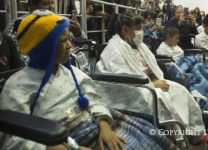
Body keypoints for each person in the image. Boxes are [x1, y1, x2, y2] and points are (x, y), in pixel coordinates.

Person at [0, 10, 181, 150]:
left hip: (92, 125)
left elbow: (94, 100)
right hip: (56, 139)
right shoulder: (17, 87)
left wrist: (104, 127)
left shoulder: (74, 74)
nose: (71, 45)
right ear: (45, 48)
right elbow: (15, 139)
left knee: (144, 137)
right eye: (64, 41)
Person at [96, 12, 208, 150]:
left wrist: (156, 81)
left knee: (179, 90)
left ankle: (196, 136)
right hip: (134, 90)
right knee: (162, 98)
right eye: (138, 28)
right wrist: (152, 85)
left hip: (149, 83)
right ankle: (182, 143)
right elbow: (124, 80)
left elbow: (150, 68)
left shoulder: (138, 45)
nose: (142, 31)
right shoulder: (114, 50)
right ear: (125, 30)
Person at [4, 0, 91, 75]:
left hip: (80, 70)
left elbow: (85, 44)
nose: (51, 7)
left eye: (52, 3)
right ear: (32, 4)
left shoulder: (62, 20)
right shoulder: (19, 25)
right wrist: (53, 61)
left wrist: (79, 33)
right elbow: (16, 56)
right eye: (46, 4)